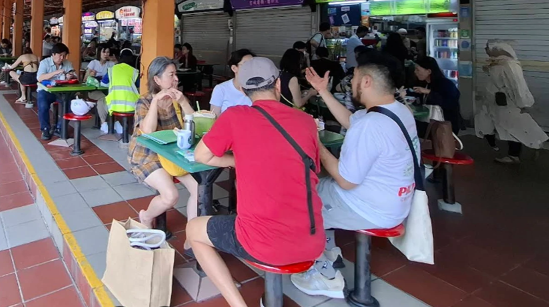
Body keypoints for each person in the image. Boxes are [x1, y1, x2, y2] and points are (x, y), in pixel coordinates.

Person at [187, 57, 324, 307]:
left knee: (194, 230)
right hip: (313, 240)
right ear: (278, 85)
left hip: (263, 243)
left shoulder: (235, 116)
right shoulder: (305, 122)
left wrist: (238, 160)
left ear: (243, 89)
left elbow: (201, 155)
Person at [294, 51, 418, 299]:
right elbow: (352, 121)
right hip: (397, 199)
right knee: (317, 186)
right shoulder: (396, 111)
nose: (350, 83)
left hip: (370, 207)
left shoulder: (373, 125)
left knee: (298, 200)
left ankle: (325, 275)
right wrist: (323, 91)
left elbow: (346, 181)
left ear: (367, 82)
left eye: (354, 78)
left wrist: (314, 141)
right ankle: (328, 249)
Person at [127, 57, 199, 251]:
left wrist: (183, 102)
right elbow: (148, 131)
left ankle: (192, 237)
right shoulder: (144, 100)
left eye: (176, 74)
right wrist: (156, 102)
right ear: (157, 80)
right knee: (170, 196)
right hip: (147, 154)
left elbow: (195, 124)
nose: (176, 79)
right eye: (171, 75)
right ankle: (146, 217)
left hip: (172, 153)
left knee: (199, 190)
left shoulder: (178, 99)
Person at [474, 40, 547, 164]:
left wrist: (523, 103)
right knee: (496, 125)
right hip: (495, 103)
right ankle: (525, 147)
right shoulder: (497, 64)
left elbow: (517, 86)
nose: (486, 50)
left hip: (507, 104)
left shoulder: (508, 65)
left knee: (513, 129)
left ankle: (526, 149)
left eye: (488, 48)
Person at [37, 43, 77, 140]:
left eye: (64, 55)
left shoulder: (67, 63)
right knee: (42, 105)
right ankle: (45, 129)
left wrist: (71, 76)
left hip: (62, 91)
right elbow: (39, 78)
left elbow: (75, 76)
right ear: (53, 54)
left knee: (71, 104)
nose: (62, 58)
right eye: (60, 55)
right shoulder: (44, 63)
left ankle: (60, 127)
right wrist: (55, 72)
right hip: (46, 91)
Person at [411, 56, 461, 135]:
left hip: (443, 125)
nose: (415, 72)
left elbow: (450, 103)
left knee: (411, 126)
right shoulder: (424, 83)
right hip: (430, 121)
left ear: (429, 71)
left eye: (418, 70)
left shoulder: (446, 84)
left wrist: (429, 92)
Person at [104, 50, 140, 135]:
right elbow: (138, 86)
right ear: (131, 59)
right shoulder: (134, 71)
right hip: (132, 106)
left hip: (113, 105)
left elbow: (103, 83)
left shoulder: (111, 70)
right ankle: (131, 130)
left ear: (119, 58)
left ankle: (112, 128)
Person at [209, 49, 254, 116]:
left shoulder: (259, 90)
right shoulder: (221, 89)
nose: (251, 68)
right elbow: (214, 118)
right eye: (246, 64)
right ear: (234, 68)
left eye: (253, 64)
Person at [85, 44, 116, 133]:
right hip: (93, 90)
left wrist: (114, 60)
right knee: (103, 99)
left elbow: (119, 68)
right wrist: (90, 75)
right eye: (104, 52)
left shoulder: (111, 64)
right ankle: (104, 123)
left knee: (105, 99)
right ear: (99, 53)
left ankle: (105, 124)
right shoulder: (93, 63)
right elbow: (85, 79)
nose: (106, 54)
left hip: (107, 90)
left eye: (108, 52)